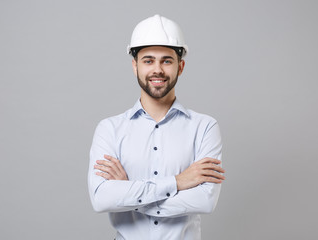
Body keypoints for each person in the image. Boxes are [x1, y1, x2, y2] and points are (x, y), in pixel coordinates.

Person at [88, 14, 226, 240]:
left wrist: (129, 194)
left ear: (180, 66)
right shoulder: (109, 129)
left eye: (167, 60)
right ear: (135, 66)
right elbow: (101, 199)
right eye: (148, 60)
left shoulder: (205, 127)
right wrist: (178, 182)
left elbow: (205, 201)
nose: (158, 70)